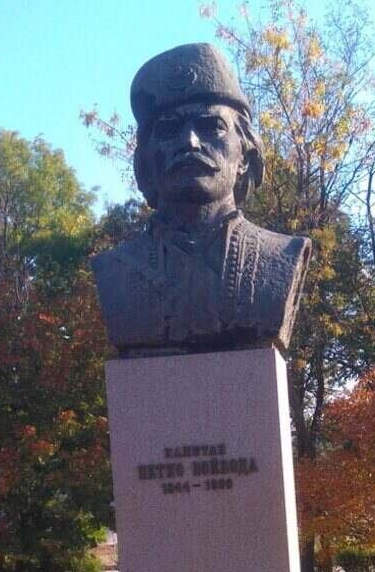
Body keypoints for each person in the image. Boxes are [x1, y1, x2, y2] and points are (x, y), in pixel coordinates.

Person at [92, 43, 311, 354]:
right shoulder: (117, 270)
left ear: (245, 154)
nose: (190, 142)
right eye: (169, 129)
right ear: (146, 161)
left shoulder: (281, 257)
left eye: (211, 126)